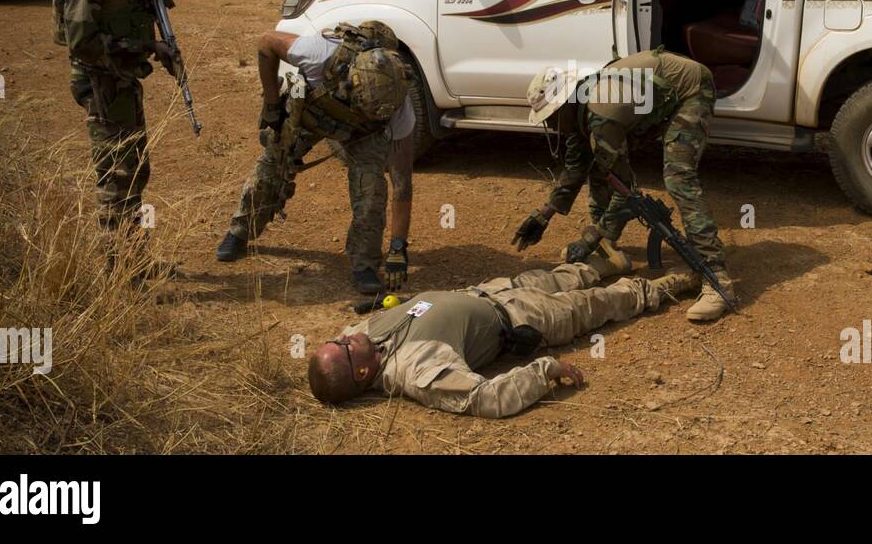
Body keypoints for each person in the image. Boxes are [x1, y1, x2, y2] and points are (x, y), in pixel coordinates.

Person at [307, 257, 698, 414]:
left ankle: (608, 260)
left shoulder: (362, 338)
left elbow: (357, 330)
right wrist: (543, 370)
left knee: (565, 274)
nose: (344, 337)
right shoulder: (415, 370)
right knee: (597, 303)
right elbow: (485, 397)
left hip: (491, 289)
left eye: (336, 340)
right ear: (362, 374)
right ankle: (664, 288)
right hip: (523, 318)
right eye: (342, 347)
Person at [512, 50, 735, 322]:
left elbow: (625, 189)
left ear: (566, 104)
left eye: (552, 116)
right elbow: (575, 168)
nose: (551, 124)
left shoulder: (601, 113)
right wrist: (543, 214)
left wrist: (588, 238)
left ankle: (717, 277)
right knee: (599, 165)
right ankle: (609, 249)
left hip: (690, 89)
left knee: (679, 177)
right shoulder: (580, 112)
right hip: (658, 93)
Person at [215, 22, 415, 295]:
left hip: (363, 133)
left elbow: (402, 183)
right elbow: (266, 41)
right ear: (351, 84)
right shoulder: (319, 54)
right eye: (367, 107)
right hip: (311, 109)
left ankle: (364, 264)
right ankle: (240, 230)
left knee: (371, 188)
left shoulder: (397, 102)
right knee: (273, 165)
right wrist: (272, 104)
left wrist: (397, 249)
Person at [50, 0, 177, 234]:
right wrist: (147, 47)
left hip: (120, 78)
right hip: (101, 81)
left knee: (135, 169)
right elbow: (82, 41)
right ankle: (120, 273)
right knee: (117, 178)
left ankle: (132, 260)